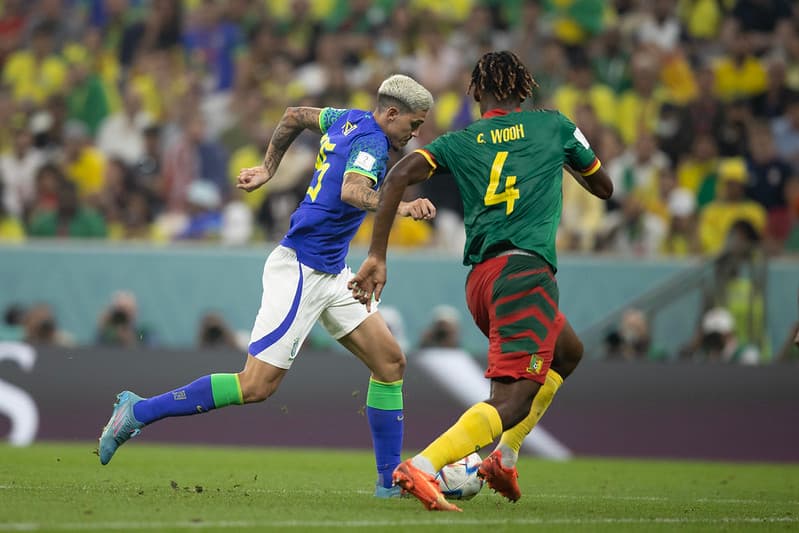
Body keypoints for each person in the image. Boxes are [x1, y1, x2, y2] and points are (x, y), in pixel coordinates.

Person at [98, 74, 436, 499]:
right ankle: (137, 411)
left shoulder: (345, 119)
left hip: (332, 272)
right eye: (413, 124)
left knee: (390, 364)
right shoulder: (371, 145)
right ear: (391, 113)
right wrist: (399, 204)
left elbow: (294, 115)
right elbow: (353, 191)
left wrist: (267, 168)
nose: (415, 133)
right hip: (300, 270)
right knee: (255, 385)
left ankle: (389, 483)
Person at [350, 51, 613, 511]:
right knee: (510, 403)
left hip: (483, 282)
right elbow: (603, 187)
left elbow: (397, 177)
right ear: (523, 89)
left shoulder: (461, 141)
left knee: (567, 351)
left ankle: (503, 459)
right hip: (524, 275)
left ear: (476, 94)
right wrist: (558, 155)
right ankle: (425, 466)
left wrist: (377, 254)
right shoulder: (554, 126)